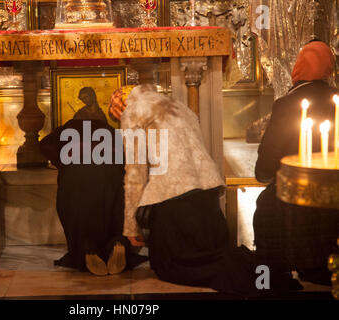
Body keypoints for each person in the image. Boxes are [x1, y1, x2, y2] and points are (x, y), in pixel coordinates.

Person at [109, 84, 257, 295]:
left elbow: (136, 174)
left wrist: (132, 229)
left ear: (119, 108)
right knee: (216, 256)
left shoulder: (133, 111)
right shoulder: (179, 106)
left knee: (170, 268)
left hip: (176, 205)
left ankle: (256, 274)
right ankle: (262, 271)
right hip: (208, 201)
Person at [253, 40, 339, 288]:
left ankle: (269, 281)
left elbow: (267, 164)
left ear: (298, 68)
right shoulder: (336, 99)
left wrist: (267, 174)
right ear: (329, 69)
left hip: (296, 194)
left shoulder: (287, 104)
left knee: (267, 204)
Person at [39, 114, 146, 276]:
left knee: (75, 213)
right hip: (111, 172)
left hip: (76, 174)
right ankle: (117, 242)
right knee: (115, 211)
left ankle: (87, 249)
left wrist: (61, 163)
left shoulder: (67, 128)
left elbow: (44, 145)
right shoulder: (109, 130)